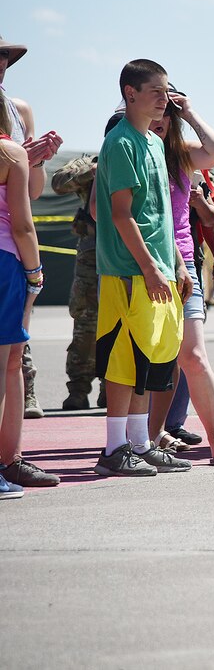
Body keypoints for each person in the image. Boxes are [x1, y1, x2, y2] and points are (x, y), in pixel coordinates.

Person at [92, 59, 193, 477]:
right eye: (156, 91)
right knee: (123, 357)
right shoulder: (120, 143)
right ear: (130, 93)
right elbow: (121, 214)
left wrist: (176, 264)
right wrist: (150, 267)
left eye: (166, 91)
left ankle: (139, 442)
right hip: (129, 270)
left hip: (158, 267)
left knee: (150, 356)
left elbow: (161, 213)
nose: (164, 99)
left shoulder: (153, 141)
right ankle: (115, 449)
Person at [144, 86, 214, 463]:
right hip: (145, 269)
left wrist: (190, 112)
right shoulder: (131, 151)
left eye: (168, 115)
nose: (161, 122)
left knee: (193, 357)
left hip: (185, 270)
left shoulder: (182, 158)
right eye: (156, 113)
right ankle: (144, 440)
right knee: (153, 361)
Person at [0, 35, 63, 420]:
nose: (2, 63)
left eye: (5, 57)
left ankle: (12, 453)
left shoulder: (18, 110)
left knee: (13, 359)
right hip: (12, 246)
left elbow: (33, 193)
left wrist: (33, 160)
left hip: (11, 242)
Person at [0, 89, 56, 491]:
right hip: (5, 262)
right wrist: (35, 274)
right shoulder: (11, 153)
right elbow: (22, 224)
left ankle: (10, 459)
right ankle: (7, 461)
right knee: (7, 364)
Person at [51, 151, 104, 410]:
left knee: (122, 323)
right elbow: (59, 183)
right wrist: (93, 171)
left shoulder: (146, 157)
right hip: (92, 255)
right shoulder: (91, 162)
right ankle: (79, 388)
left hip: (129, 252)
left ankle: (112, 386)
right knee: (85, 322)